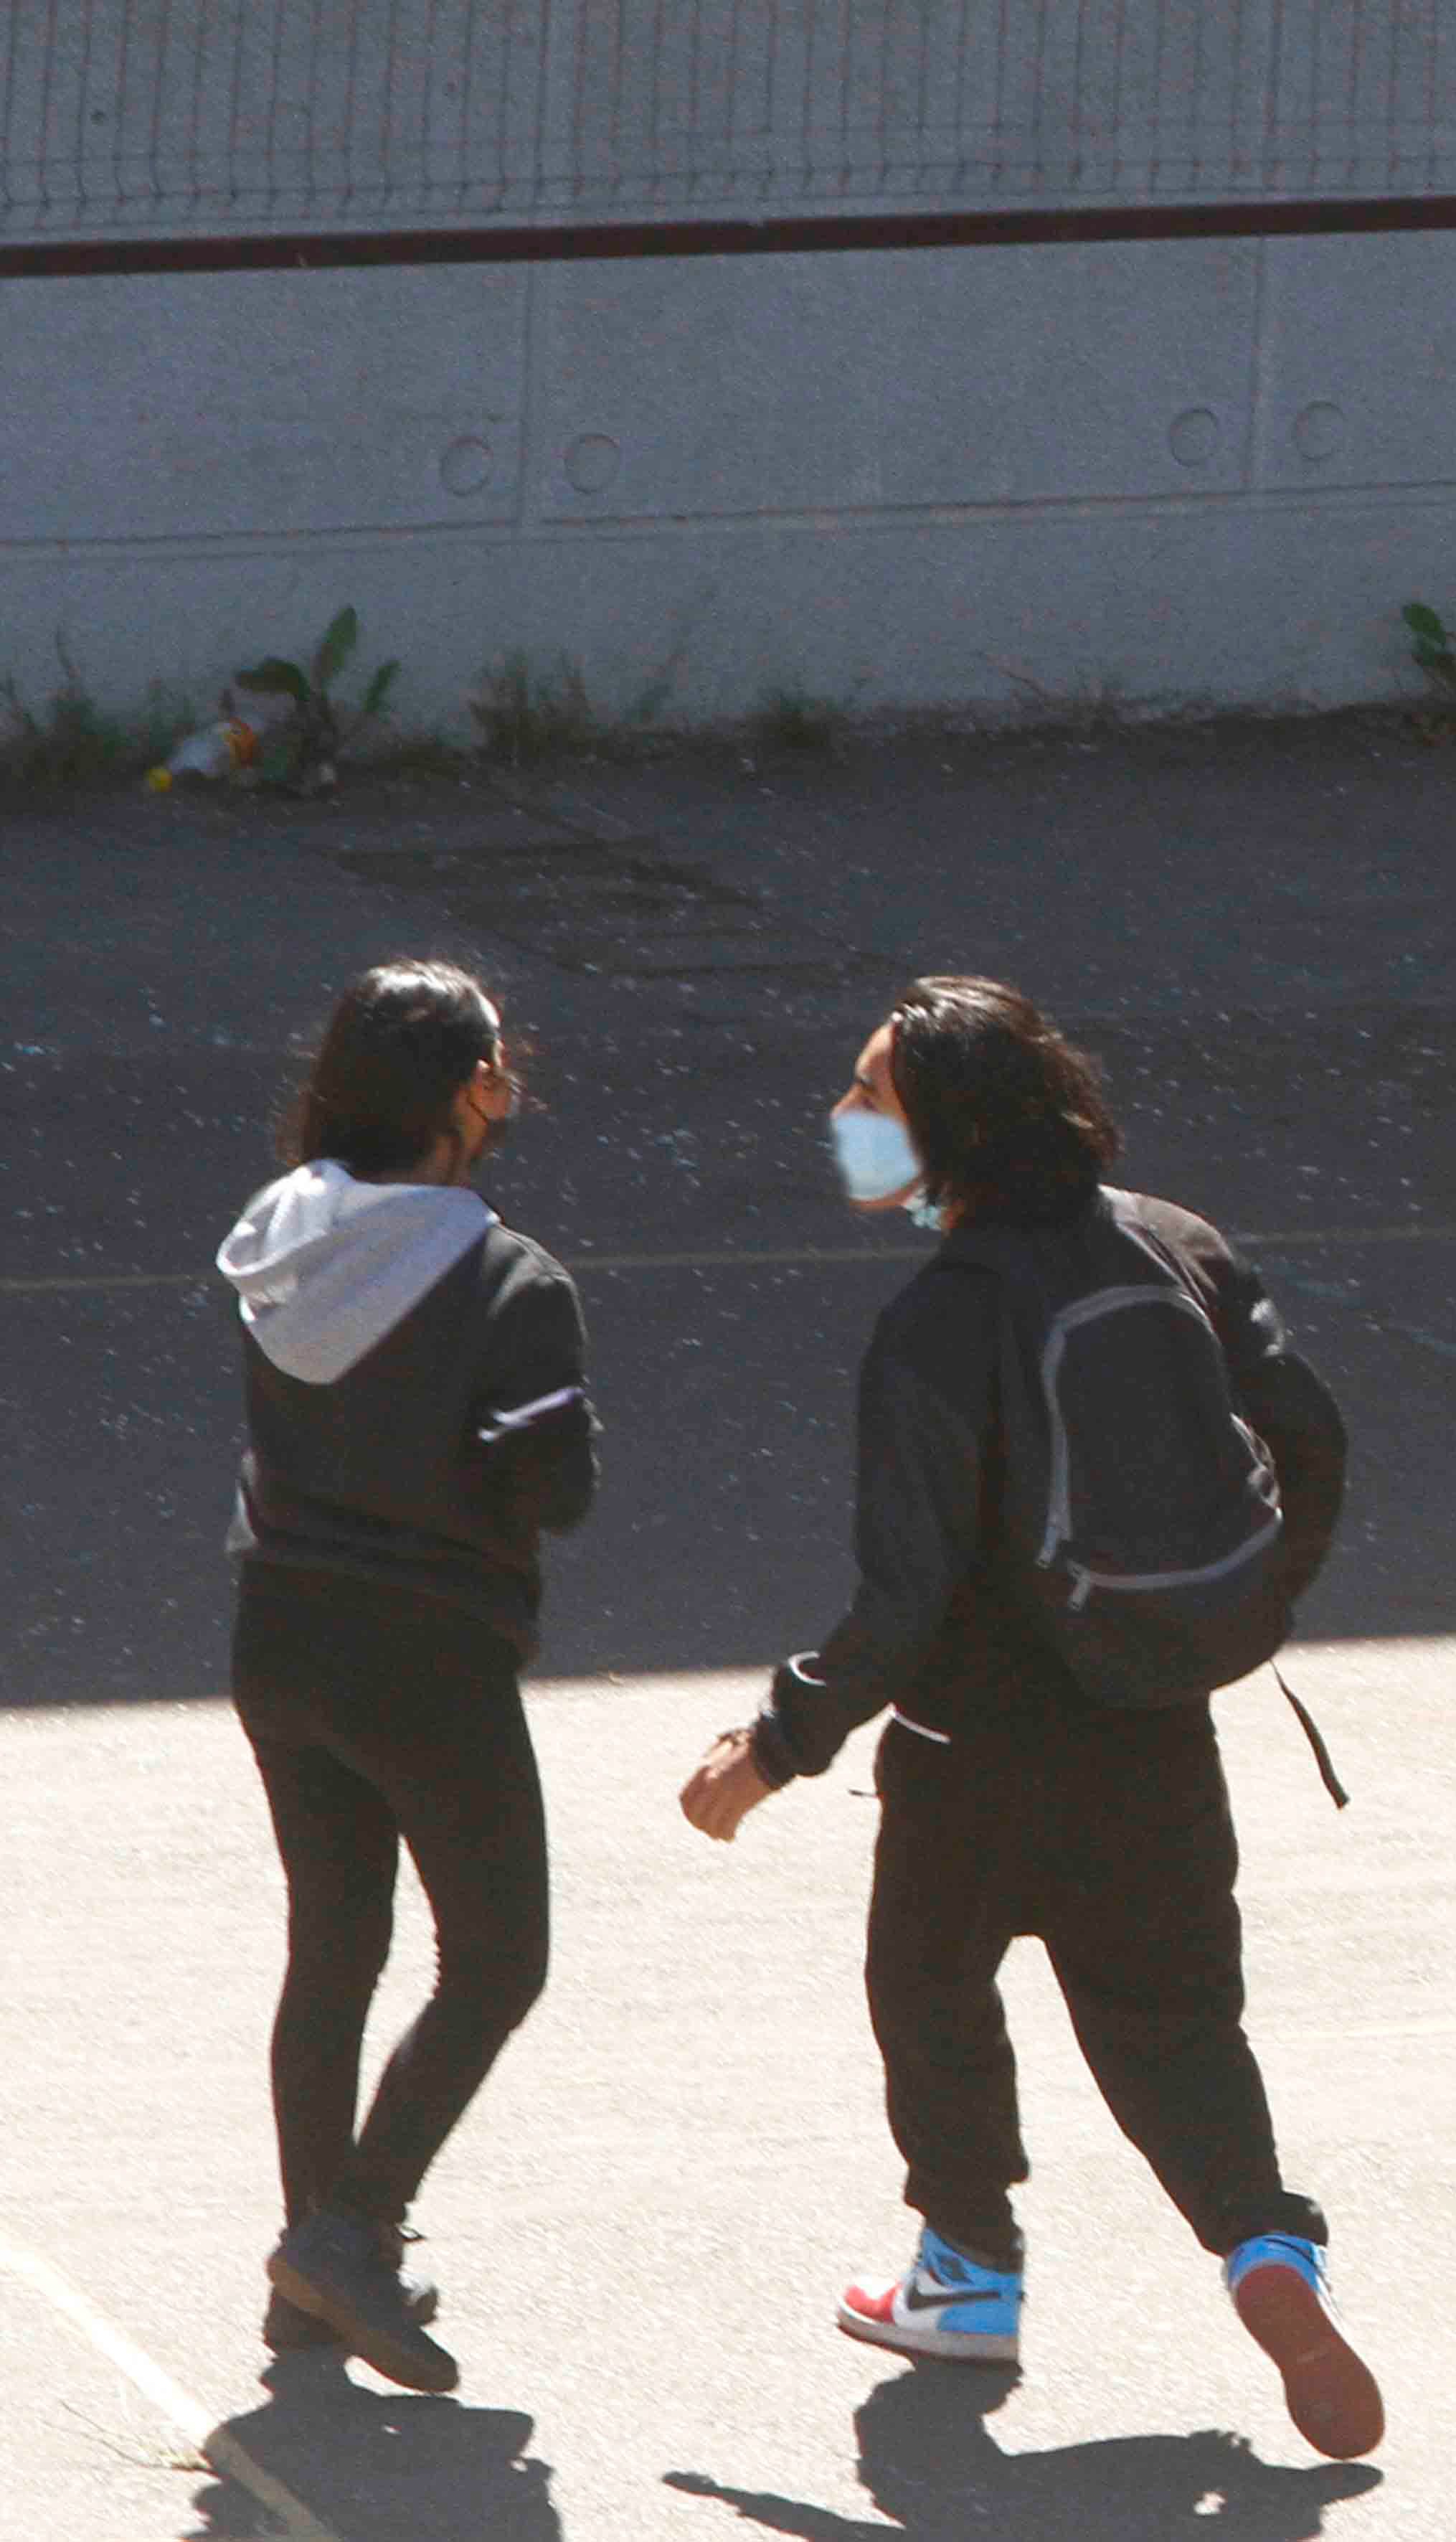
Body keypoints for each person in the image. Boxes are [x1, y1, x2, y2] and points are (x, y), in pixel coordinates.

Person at [674, 976, 1379, 2462]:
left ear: (947, 1132)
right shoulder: (1173, 1242)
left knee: (931, 1989)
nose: (849, 1117)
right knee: (1175, 2017)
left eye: (874, 1096)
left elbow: (905, 1593)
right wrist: (1243, 1605)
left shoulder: (941, 1319)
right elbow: (1307, 1438)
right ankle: (1265, 2244)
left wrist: (777, 1744)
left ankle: (969, 2269)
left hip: (970, 1750)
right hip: (1154, 1722)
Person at [218, 960, 591, 2393]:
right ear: (473, 1093)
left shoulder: (279, 1243)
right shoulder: (510, 1280)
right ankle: (350, 2232)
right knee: (498, 1959)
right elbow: (558, 1487)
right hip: (428, 1657)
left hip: (277, 1631)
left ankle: (311, 2276)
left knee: (335, 1943)